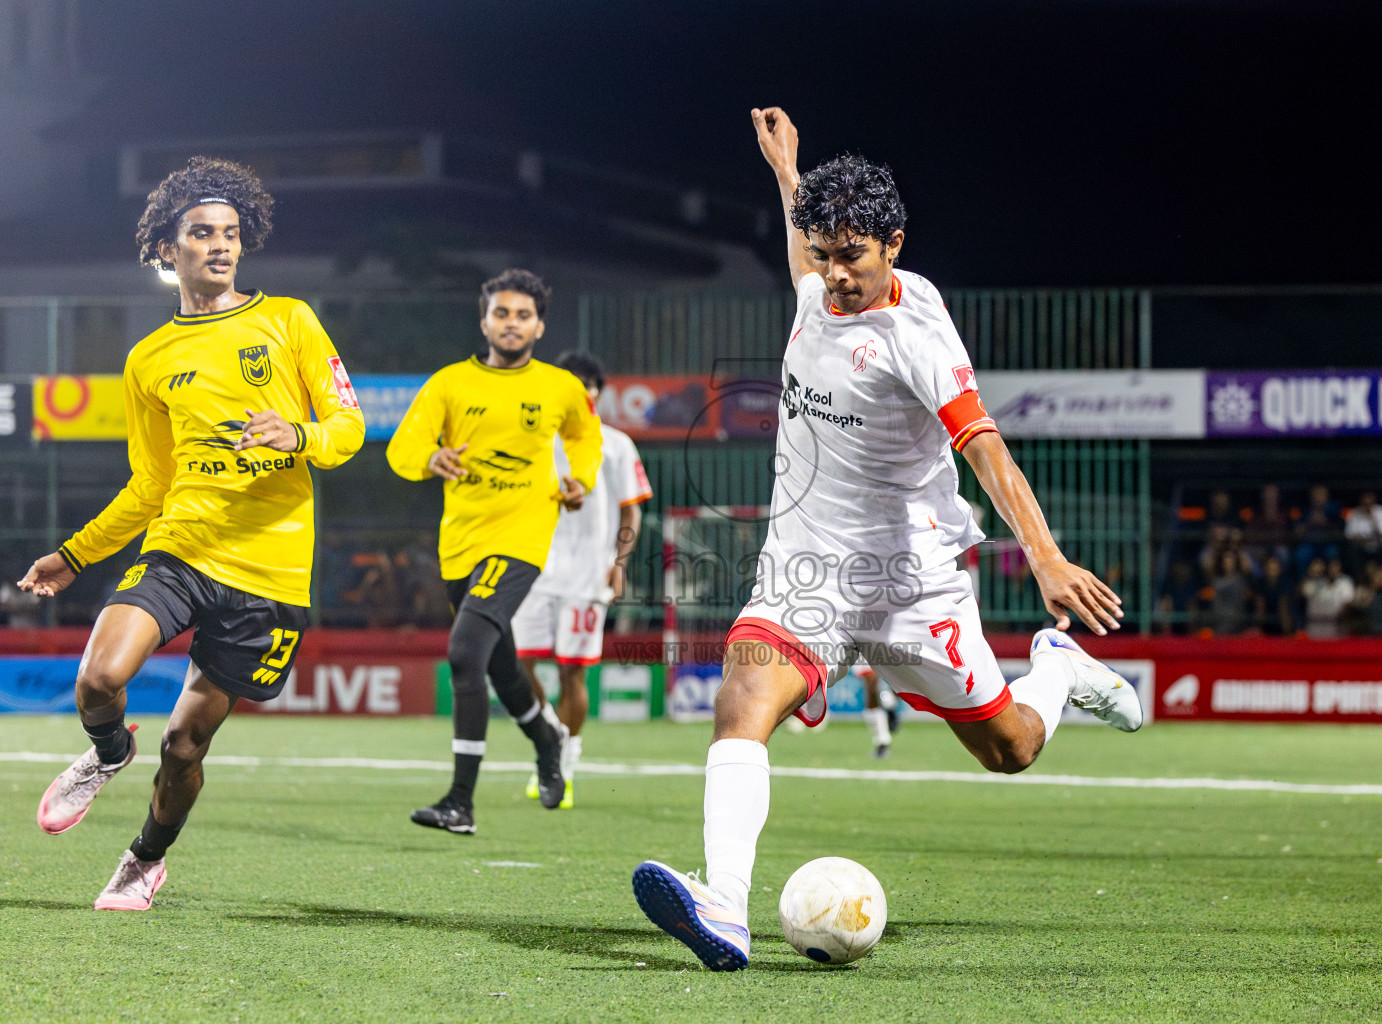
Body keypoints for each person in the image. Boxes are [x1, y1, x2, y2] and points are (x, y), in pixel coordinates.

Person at [630, 107, 1139, 972]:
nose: (832, 278)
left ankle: (1059, 667)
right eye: (821, 254)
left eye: (850, 258)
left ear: (893, 244)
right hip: (807, 565)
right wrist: (787, 173)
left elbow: (985, 447)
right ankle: (725, 904)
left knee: (1009, 749)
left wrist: (1046, 556)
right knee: (741, 702)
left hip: (909, 579)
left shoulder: (917, 337)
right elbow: (803, 254)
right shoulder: (817, 282)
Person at [17, 157, 365, 910]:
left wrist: (297, 434)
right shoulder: (148, 359)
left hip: (269, 570)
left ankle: (145, 859)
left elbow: (349, 427)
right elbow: (150, 485)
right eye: (202, 233)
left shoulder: (290, 320)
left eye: (231, 234)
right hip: (181, 546)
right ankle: (109, 752)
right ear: (165, 251)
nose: (221, 245)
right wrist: (74, 555)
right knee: (98, 679)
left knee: (185, 747)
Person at [387, 269, 601, 833]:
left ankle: (461, 800)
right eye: (502, 314)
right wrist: (430, 458)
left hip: (522, 538)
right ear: (484, 321)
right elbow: (405, 445)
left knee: (464, 652)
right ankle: (547, 737)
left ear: (539, 325)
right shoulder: (449, 383)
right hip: (460, 544)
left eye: (523, 315)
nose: (512, 323)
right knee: (503, 667)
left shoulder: (559, 386)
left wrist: (580, 478)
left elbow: (585, 435)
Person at [514, 351, 652, 808]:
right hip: (534, 570)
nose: (578, 392)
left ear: (596, 393)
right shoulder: (534, 441)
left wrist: (620, 562)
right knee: (517, 666)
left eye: (586, 386)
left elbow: (632, 506)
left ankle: (564, 766)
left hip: (588, 576)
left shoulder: (615, 444)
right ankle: (550, 736)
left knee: (573, 674)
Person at [851, 657, 901, 758]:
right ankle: (883, 742)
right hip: (860, 647)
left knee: (901, 680)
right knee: (871, 691)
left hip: (884, 645)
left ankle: (889, 704)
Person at [1301, 556, 1355, 638]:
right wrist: (1311, 574)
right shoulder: (1316, 582)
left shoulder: (1345, 582)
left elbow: (1347, 603)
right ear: (1326, 568)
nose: (1334, 570)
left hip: (1336, 625)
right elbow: (1301, 592)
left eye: (1336, 567)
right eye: (1331, 567)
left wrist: (1340, 620)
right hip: (1315, 624)